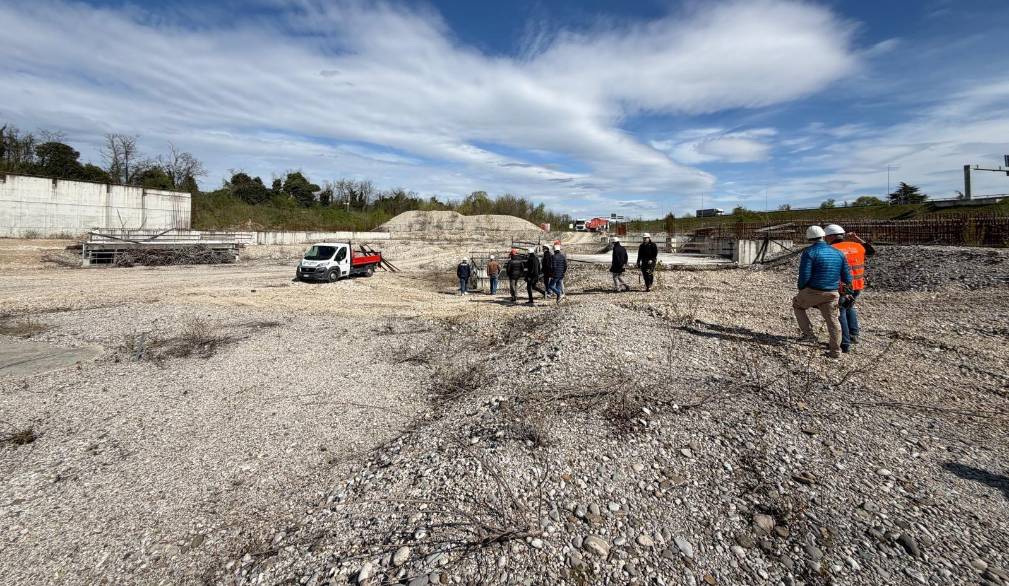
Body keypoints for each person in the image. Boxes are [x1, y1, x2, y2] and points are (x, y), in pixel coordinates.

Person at [793, 226, 852, 359]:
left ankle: (809, 335)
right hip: (832, 292)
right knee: (833, 321)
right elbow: (847, 276)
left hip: (814, 290)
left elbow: (804, 275)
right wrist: (848, 291)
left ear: (809, 238)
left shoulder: (809, 252)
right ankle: (835, 351)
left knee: (797, 305)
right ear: (823, 236)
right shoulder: (838, 252)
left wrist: (801, 289)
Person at [824, 224, 875, 353]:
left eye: (826, 237)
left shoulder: (831, 249)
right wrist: (857, 238)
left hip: (842, 286)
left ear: (830, 236)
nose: (825, 239)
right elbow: (871, 251)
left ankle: (844, 343)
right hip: (858, 284)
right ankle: (854, 335)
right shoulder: (857, 246)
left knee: (840, 312)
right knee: (849, 307)